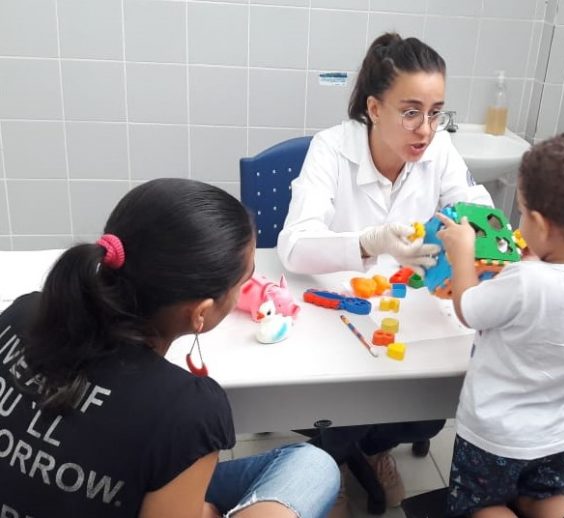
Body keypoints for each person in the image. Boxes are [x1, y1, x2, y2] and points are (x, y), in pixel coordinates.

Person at [0, 179, 339, 518]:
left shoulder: (23, 313)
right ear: (201, 312)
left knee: (312, 463)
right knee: (313, 468)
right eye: (244, 279)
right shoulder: (187, 410)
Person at [276, 32, 494, 512]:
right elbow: (293, 247)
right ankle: (328, 465)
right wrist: (368, 242)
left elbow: (478, 209)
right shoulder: (331, 149)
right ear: (374, 109)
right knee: (346, 394)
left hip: (410, 311)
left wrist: (473, 237)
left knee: (430, 407)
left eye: (435, 113)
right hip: (338, 309)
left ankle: (371, 451)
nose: (425, 130)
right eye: (411, 112)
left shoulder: (438, 150)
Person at [436, 132, 564, 518]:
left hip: (495, 438)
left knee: (483, 506)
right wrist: (539, 258)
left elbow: (468, 309)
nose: (520, 222)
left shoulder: (526, 281)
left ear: (541, 225)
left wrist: (462, 255)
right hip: (558, 436)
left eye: (523, 214)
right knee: (541, 497)